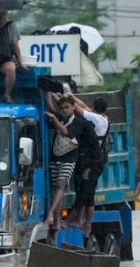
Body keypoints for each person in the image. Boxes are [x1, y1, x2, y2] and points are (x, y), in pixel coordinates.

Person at [59, 93, 108, 234]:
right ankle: (84, 222)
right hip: (94, 161)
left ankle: (73, 221)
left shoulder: (95, 119)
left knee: (84, 194)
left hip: (91, 161)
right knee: (88, 194)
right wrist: (71, 96)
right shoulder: (103, 118)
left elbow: (80, 110)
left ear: (94, 108)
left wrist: (67, 97)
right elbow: (84, 107)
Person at [44, 94, 83, 231]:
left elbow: (65, 131)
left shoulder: (78, 122)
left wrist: (54, 118)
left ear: (73, 107)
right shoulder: (60, 117)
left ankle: (51, 213)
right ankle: (57, 220)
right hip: (56, 157)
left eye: (67, 107)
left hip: (69, 158)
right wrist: (45, 95)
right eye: (62, 108)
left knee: (61, 184)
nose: (65, 110)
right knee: (57, 188)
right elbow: (52, 109)